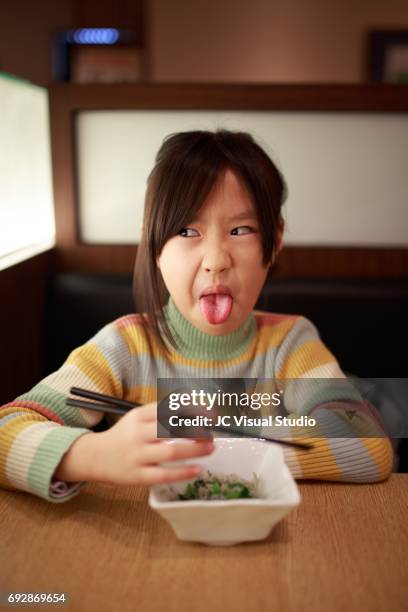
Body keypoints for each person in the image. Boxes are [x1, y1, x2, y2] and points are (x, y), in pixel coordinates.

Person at [0, 130, 393, 503]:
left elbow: (365, 442)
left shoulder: (290, 341)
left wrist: (202, 445)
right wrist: (95, 454)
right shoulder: (125, 345)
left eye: (240, 230)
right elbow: (7, 429)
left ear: (275, 243)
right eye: (187, 232)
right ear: (154, 245)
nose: (216, 262)